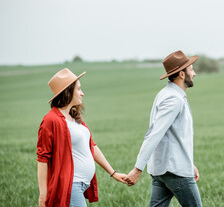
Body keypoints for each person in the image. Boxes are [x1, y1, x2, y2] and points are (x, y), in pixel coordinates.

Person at [37, 68, 127, 207]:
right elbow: (43, 159)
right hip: (70, 186)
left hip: (81, 185)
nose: (82, 93)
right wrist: (43, 196)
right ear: (68, 91)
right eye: (78, 89)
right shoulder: (51, 120)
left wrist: (113, 173)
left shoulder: (74, 118)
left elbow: (92, 146)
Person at [125, 50, 203, 207]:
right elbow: (155, 134)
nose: (194, 74)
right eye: (191, 69)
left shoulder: (166, 94)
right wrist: (137, 169)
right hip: (175, 171)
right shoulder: (173, 99)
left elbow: (174, 136)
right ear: (182, 74)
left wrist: (189, 164)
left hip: (163, 170)